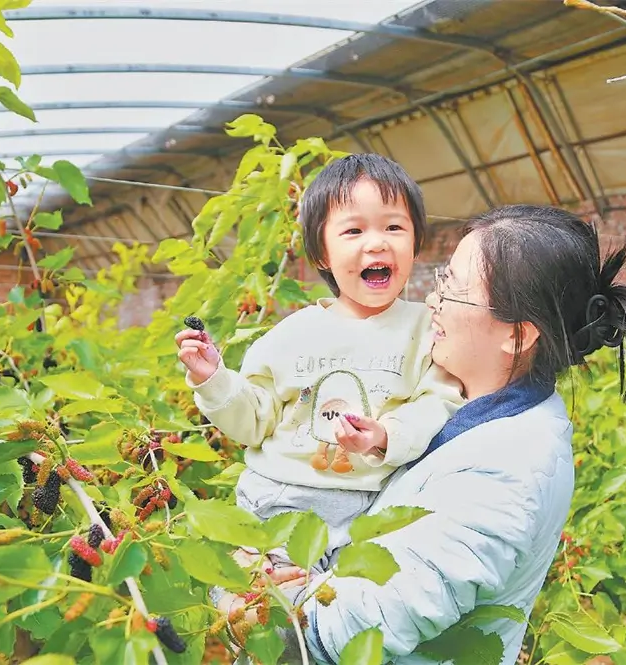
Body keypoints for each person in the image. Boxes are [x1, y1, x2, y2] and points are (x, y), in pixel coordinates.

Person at [219, 204, 626, 663]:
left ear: (517, 335)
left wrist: (245, 586)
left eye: (453, 289)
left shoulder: (506, 473)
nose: (432, 301)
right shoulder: (453, 408)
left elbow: (350, 631)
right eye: (440, 279)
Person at [175, 154, 463, 563]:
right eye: (354, 230)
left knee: (343, 610)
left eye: (394, 226)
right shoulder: (291, 336)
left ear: (416, 243)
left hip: (370, 507)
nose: (377, 242)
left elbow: (440, 401)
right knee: (264, 607)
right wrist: (215, 379)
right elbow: (255, 420)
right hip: (279, 501)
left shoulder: (426, 329)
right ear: (322, 254)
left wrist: (384, 435)